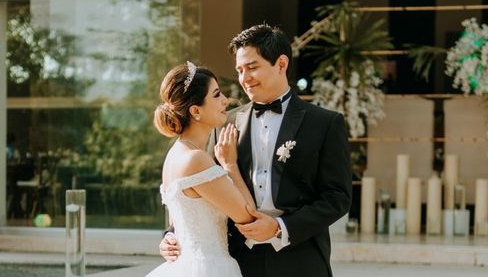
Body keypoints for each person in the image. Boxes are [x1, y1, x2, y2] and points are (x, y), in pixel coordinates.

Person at [159, 24, 352, 277]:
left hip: (300, 259)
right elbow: (198, 188)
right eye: (239, 70)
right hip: (238, 260)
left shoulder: (325, 123)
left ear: (281, 64)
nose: (244, 78)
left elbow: (337, 197)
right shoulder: (222, 122)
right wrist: (172, 235)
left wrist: (280, 227)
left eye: (252, 67)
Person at [146, 62, 257, 277]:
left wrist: (168, 238)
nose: (225, 100)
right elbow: (248, 216)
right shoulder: (195, 159)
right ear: (195, 110)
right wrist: (230, 164)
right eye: (216, 95)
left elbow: (180, 221)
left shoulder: (175, 155)